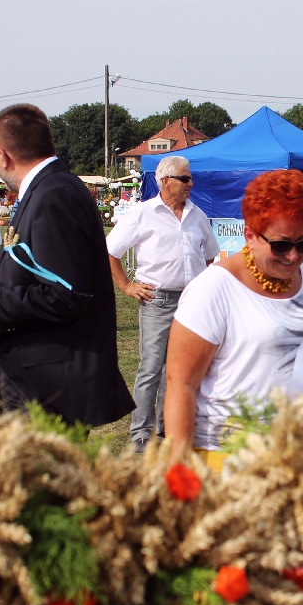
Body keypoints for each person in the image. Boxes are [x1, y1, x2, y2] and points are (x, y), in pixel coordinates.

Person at [0, 104, 133, 605]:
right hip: (36, 379)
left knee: (31, 513)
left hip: (46, 388)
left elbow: (67, 295)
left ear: (1, 155)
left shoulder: (52, 196)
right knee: (41, 509)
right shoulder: (53, 191)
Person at [164, 169, 303, 605]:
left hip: (290, 463)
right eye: (282, 245)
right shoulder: (213, 291)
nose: (294, 257)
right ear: (249, 233)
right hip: (224, 463)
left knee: (278, 602)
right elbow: (180, 383)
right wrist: (181, 474)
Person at [106, 155, 219, 453]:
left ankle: (169, 427)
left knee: (180, 368)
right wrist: (126, 285)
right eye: (185, 179)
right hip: (157, 299)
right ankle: (142, 433)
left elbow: (209, 256)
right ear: (165, 181)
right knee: (151, 367)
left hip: (191, 303)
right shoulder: (143, 213)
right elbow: (111, 250)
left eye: (190, 178)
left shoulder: (198, 215)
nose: (191, 184)